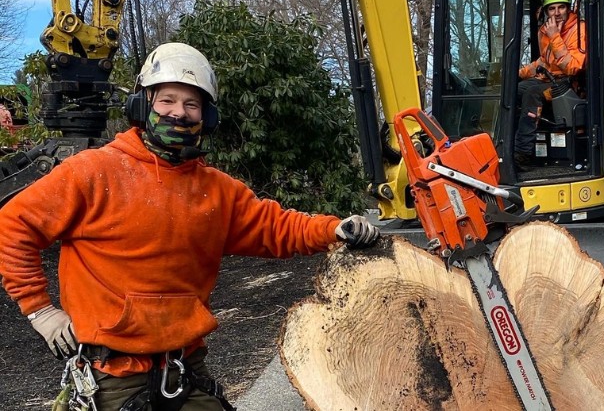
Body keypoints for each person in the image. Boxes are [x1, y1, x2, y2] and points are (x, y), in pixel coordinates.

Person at [0, 42, 380, 411]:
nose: (177, 113)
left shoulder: (217, 190)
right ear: (142, 105)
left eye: (191, 104)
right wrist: (40, 310)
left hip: (184, 370)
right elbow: (12, 225)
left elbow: (273, 226)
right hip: (111, 376)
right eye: (166, 100)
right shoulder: (92, 171)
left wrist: (334, 229)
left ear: (206, 116)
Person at [514, 0, 587, 171]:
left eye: (561, 7)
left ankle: (523, 154)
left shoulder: (578, 30)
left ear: (568, 8)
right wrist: (518, 74)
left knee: (532, 93)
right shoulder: (544, 31)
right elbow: (545, 61)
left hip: (569, 83)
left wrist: (555, 36)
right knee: (512, 91)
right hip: (549, 78)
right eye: (552, 9)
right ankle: (510, 143)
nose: (557, 13)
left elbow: (572, 66)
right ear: (546, 11)